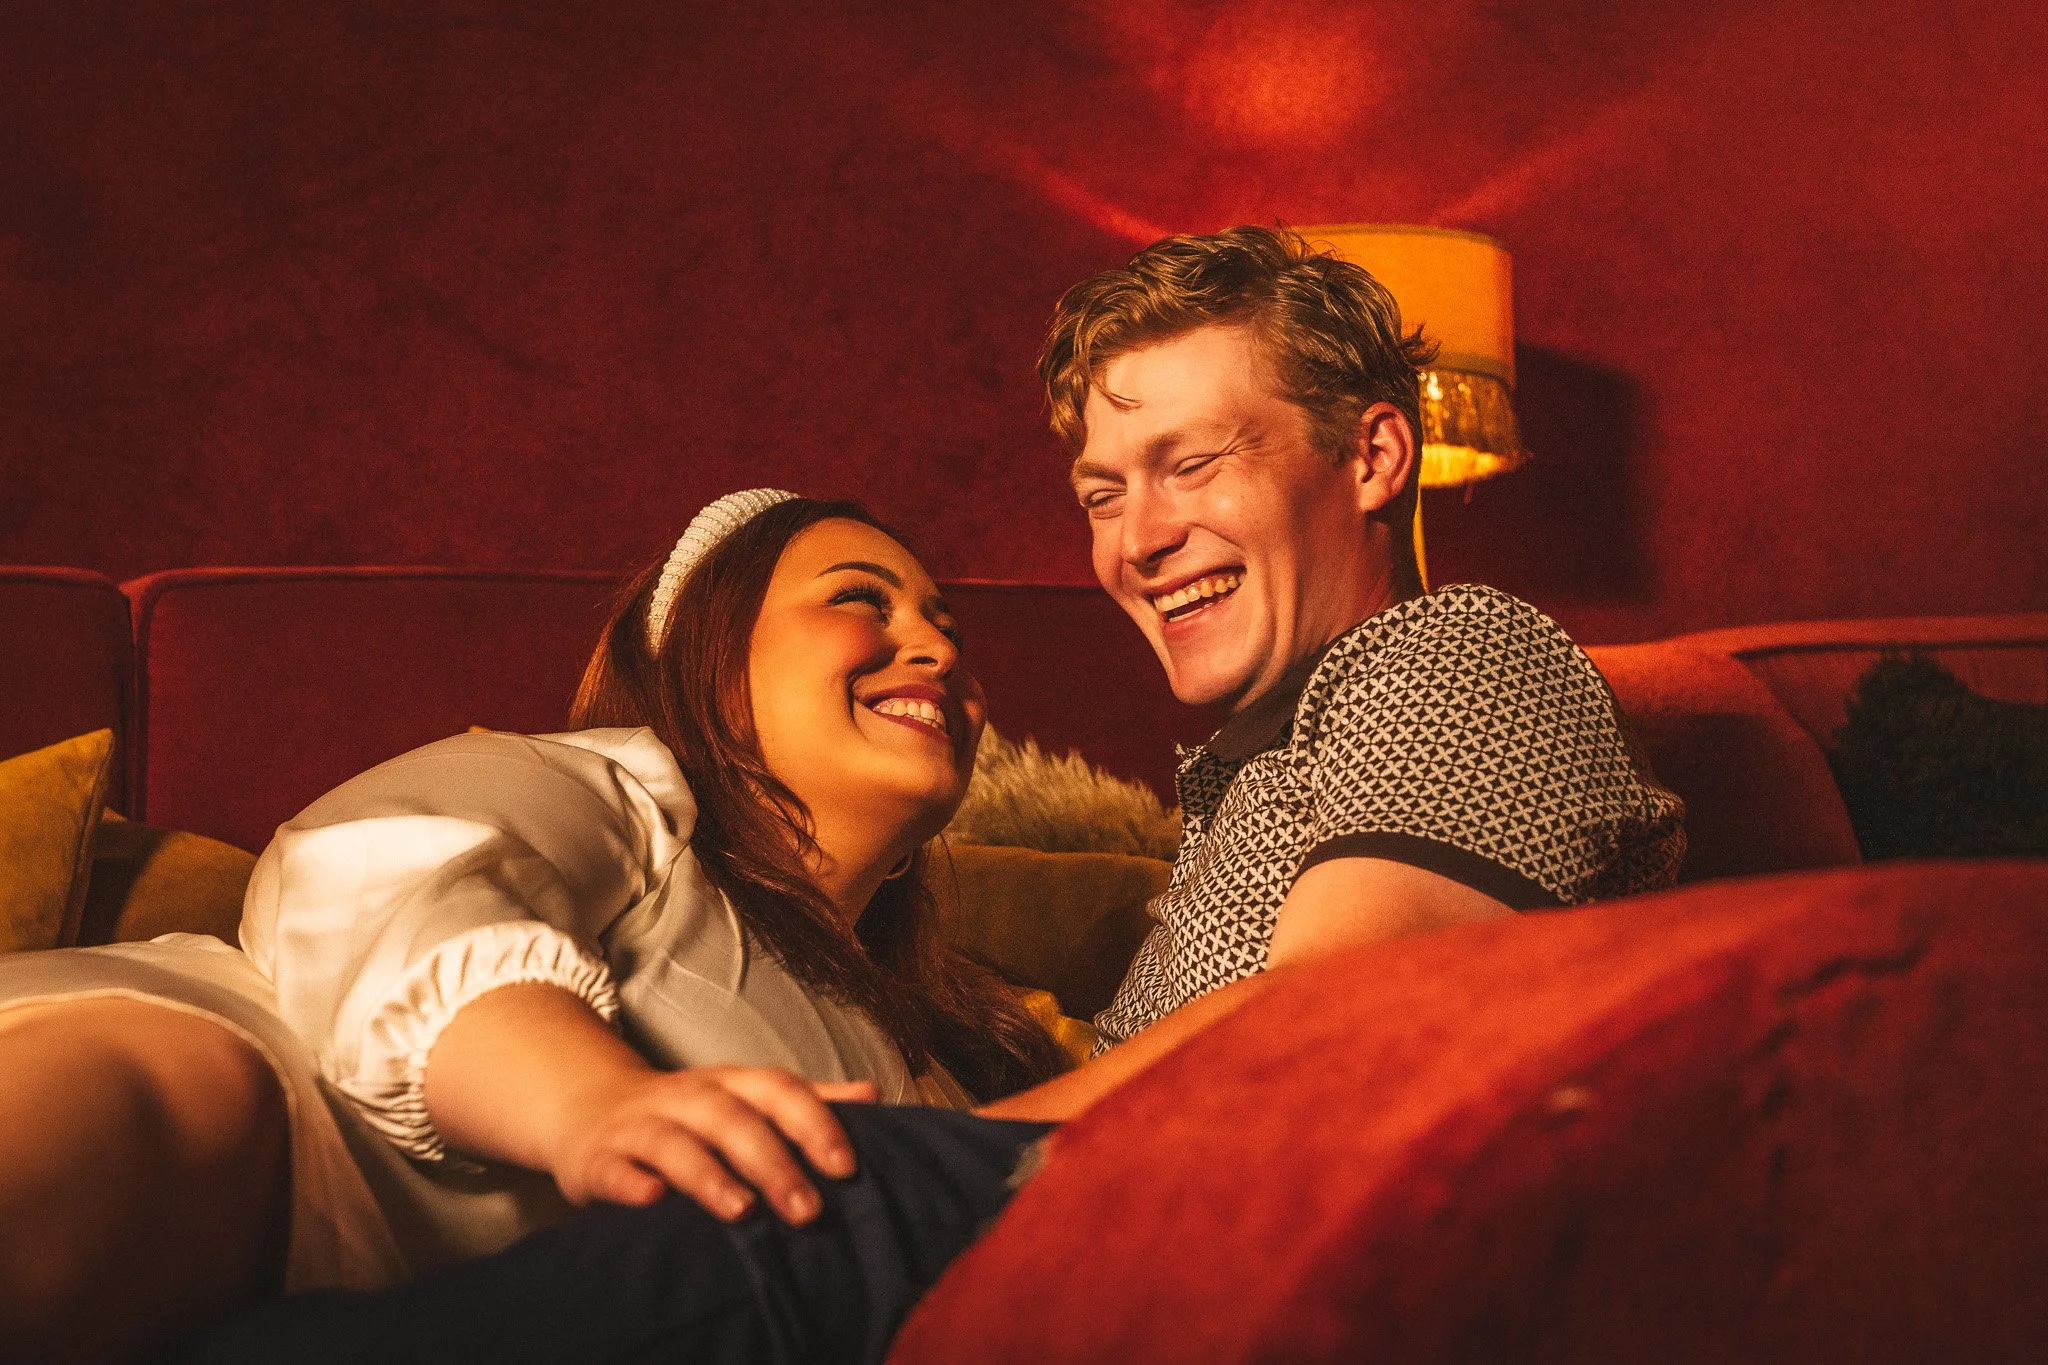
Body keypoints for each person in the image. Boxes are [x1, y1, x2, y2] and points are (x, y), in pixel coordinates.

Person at [188, 226, 1685, 1362]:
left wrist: (902, 1159)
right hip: (1130, 1243)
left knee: (806, 1192)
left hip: (1254, 1249)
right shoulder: (1245, 780)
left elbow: (1331, 1029)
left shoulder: (1461, 648)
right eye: (1104, 491)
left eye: (1191, 466)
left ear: (1372, 456)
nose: (1136, 540)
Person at [0, 492, 1066, 1362]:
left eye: (948, 626)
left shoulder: (939, 1063)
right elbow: (391, 872)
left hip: (416, 1310)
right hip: (246, 1105)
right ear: (708, 657)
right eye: (860, 599)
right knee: (193, 1095)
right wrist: (595, 1104)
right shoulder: (619, 785)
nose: (934, 645)